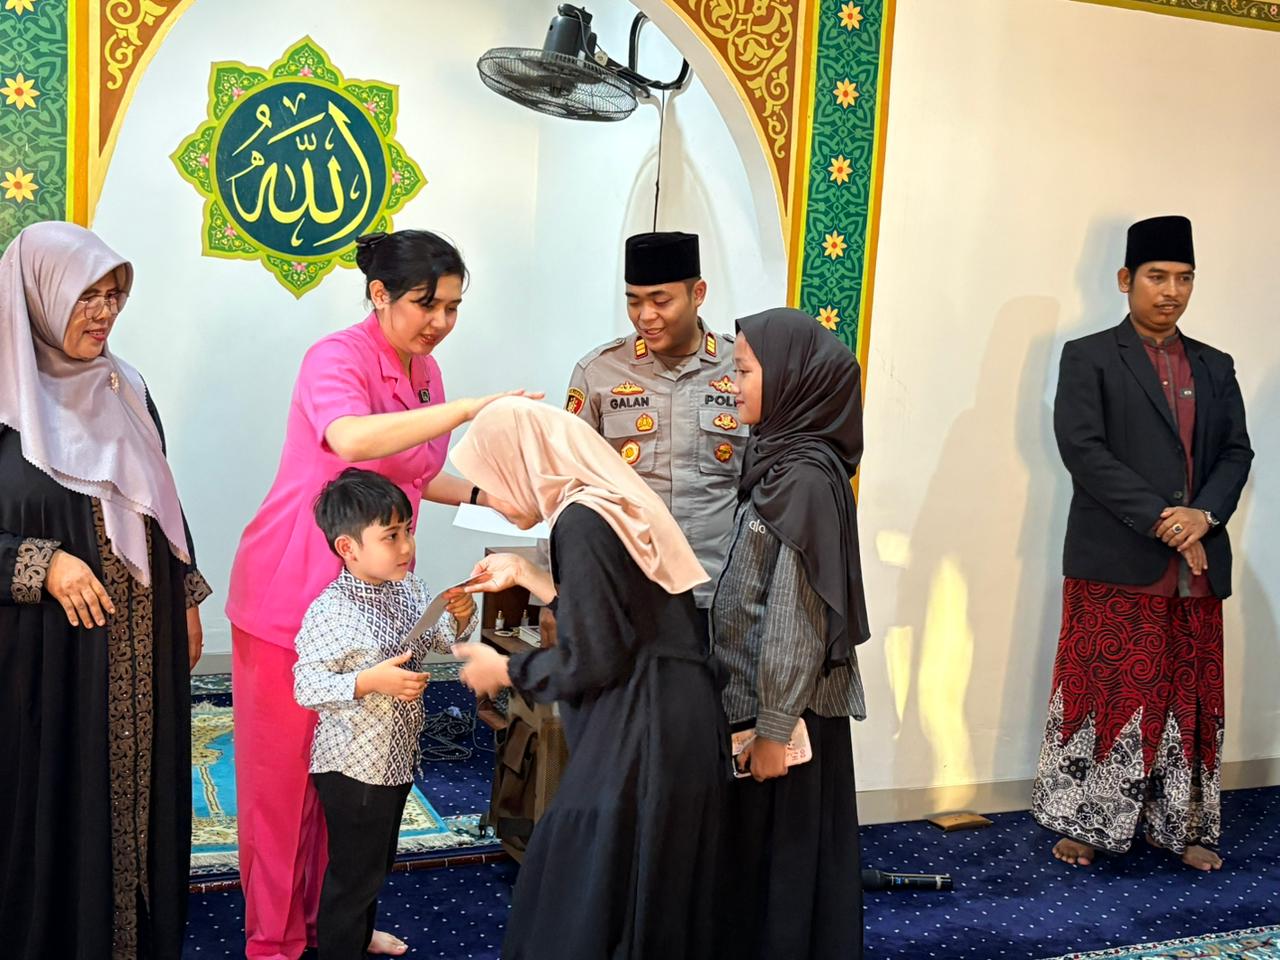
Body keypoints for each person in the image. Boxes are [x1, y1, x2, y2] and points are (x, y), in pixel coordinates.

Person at [225, 229, 537, 960]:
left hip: (375, 598)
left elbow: (413, 470)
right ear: (379, 294)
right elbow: (353, 440)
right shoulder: (335, 358)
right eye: (427, 304)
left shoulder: (425, 371)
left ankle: (336, 926)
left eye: (452, 307)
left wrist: (492, 498)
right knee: (285, 792)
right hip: (291, 592)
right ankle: (276, 943)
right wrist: (468, 410)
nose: (440, 322)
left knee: (354, 779)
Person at [449, 398, 728, 960]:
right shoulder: (608, 504)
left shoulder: (580, 520)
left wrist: (503, 668)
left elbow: (594, 656)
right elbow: (622, 618)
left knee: (589, 890)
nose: (496, 502)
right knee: (640, 887)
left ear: (526, 460)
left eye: (495, 481)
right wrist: (529, 574)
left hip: (642, 730)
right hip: (676, 716)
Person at [0, 221, 211, 959]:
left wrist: (186, 594)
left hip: (143, 648)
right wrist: (42, 564)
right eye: (85, 296)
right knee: (51, 805)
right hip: (43, 665)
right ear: (38, 295)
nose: (103, 313)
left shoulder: (128, 389)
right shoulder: (3, 400)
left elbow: (160, 500)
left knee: (140, 803)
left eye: (114, 295)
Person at [1033, 215, 1253, 872]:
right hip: (1115, 559)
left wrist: (1203, 516)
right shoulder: (1090, 356)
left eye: (1185, 278)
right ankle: (1085, 823)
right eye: (1158, 277)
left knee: (1190, 695)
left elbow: (1236, 453)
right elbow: (1083, 450)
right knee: (1105, 690)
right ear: (1126, 279)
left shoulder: (1215, 365)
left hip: (1196, 568)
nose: (1172, 292)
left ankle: (1182, 825)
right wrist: (1165, 520)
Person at [713, 307, 870, 959]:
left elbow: (796, 617)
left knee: (781, 873)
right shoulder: (778, 460)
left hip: (787, 716)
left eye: (745, 371)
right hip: (764, 706)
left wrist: (774, 729)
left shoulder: (803, 479)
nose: (732, 384)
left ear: (790, 379)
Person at [293, 469, 477, 960]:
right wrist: (371, 681)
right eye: (390, 536)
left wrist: (460, 616)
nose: (406, 547)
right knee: (353, 874)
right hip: (351, 767)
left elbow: (441, 640)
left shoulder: (409, 588)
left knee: (375, 864)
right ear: (348, 548)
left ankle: (358, 936)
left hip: (396, 758)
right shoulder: (331, 611)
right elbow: (306, 686)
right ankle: (341, 946)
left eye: (408, 531)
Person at [565, 231, 743, 617]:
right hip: (625, 592)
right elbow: (567, 485)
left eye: (661, 301)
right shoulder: (599, 373)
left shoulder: (740, 368)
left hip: (718, 592)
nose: (646, 316)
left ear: (698, 293)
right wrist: (556, 591)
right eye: (634, 301)